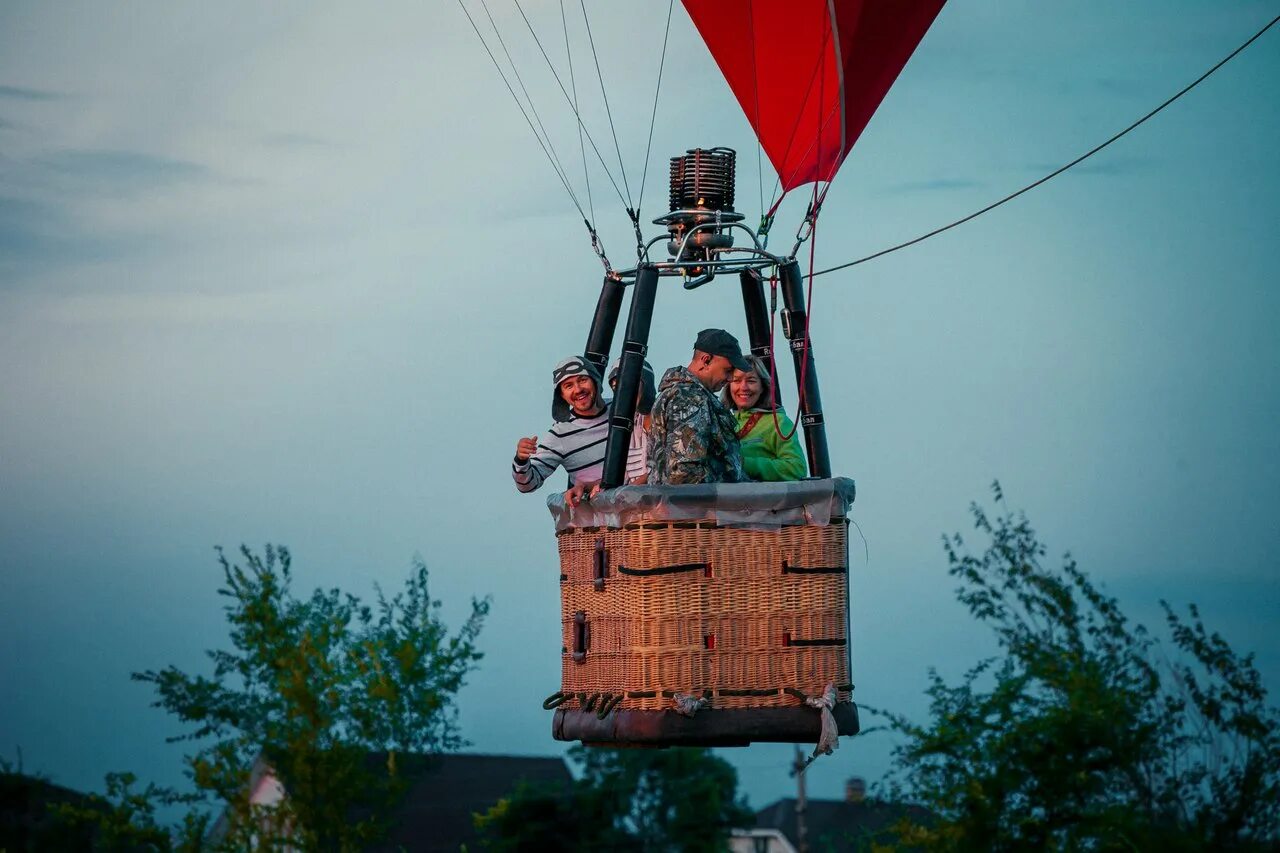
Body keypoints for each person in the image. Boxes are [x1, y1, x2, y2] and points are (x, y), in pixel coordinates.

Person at [647, 328, 749, 485]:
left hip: (687, 505)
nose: (730, 378)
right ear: (706, 360)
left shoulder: (681, 393)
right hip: (699, 507)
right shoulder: (688, 399)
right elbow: (684, 473)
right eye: (727, 370)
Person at [564, 358, 657, 505]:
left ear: (645, 382)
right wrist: (585, 486)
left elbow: (663, 470)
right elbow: (622, 475)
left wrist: (626, 491)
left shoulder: (666, 417)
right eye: (617, 387)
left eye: (628, 384)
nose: (624, 392)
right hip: (637, 512)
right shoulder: (627, 426)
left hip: (665, 510)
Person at [512, 357, 609, 496]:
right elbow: (528, 485)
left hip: (642, 505)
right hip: (601, 512)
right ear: (562, 395)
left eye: (582, 380)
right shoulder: (560, 433)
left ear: (595, 381)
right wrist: (520, 459)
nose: (578, 389)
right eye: (568, 386)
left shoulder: (621, 410)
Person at [721, 355, 808, 481]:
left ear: (763, 387)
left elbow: (796, 469)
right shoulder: (722, 423)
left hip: (764, 499)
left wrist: (744, 463)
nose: (743, 387)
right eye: (737, 380)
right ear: (728, 386)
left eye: (751, 381)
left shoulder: (778, 422)